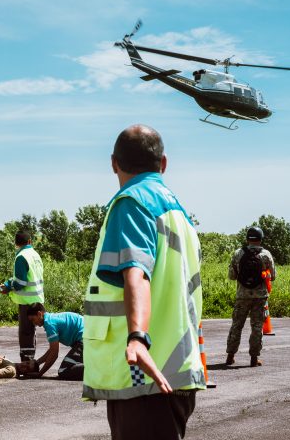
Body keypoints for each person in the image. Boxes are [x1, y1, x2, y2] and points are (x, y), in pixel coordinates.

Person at [82, 124, 205, 440]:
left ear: (113, 163)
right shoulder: (179, 215)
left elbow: (136, 273)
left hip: (143, 372)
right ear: (163, 164)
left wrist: (138, 337)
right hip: (174, 368)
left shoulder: (131, 203)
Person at [225, 226, 276, 367]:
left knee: (236, 325)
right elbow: (273, 277)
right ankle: (254, 359)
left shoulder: (238, 253)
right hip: (260, 297)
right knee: (257, 327)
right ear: (260, 239)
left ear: (247, 238)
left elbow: (232, 276)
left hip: (242, 296)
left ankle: (230, 356)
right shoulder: (266, 255)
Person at [0, 230, 45, 360]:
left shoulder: (21, 256)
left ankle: (26, 362)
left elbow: (20, 283)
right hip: (38, 299)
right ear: (29, 241)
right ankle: (31, 360)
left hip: (26, 301)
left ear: (16, 243)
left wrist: (7, 287)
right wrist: (9, 282)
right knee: (32, 332)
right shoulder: (35, 255)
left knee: (25, 332)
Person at [26, 303, 84, 381]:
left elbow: (54, 354)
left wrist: (40, 373)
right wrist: (37, 362)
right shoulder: (50, 318)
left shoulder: (50, 324)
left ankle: (100, 371)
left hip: (86, 339)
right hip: (90, 337)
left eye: (33, 319)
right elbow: (52, 350)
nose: (33, 323)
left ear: (39, 314)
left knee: (64, 371)